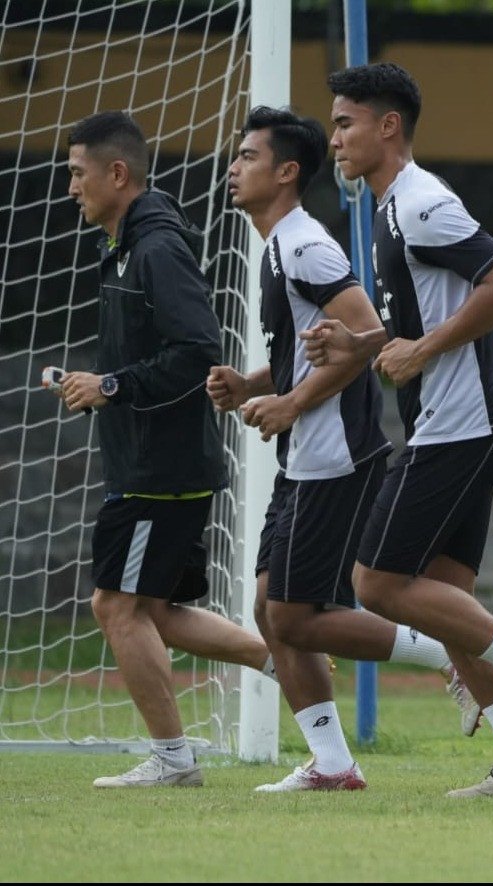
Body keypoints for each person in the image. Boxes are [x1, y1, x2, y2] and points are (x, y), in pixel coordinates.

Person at [301, 63, 493, 798]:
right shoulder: (391, 211)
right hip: (460, 424)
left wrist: (424, 350)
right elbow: (415, 321)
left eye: (345, 123)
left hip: (457, 427)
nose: (334, 138)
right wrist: (361, 346)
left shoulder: (423, 204)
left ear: (387, 126)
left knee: (376, 580)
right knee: (448, 604)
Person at [208, 105, 462, 792]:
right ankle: (332, 765)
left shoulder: (306, 246)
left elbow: (362, 335)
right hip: (304, 457)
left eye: (249, 158)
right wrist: (254, 383)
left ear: (286, 172)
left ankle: (450, 652)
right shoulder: (278, 247)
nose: (234, 168)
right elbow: (310, 356)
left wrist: (291, 403)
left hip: (336, 455)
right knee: (271, 612)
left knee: (292, 614)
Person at [54, 111, 275, 788]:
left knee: (115, 607)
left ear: (117, 173)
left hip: (161, 468)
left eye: (77, 173)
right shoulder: (127, 244)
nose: (70, 188)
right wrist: (96, 384)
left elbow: (198, 350)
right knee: (155, 612)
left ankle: (176, 762)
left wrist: (112, 384)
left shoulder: (155, 248)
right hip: (149, 461)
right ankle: (284, 655)